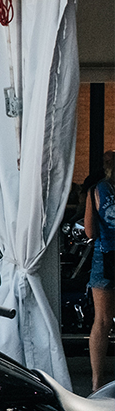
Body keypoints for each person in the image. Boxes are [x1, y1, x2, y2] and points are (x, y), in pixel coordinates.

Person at [89, 152, 115, 390]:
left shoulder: (96, 189)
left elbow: (89, 231)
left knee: (102, 321)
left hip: (104, 254)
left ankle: (97, 383)